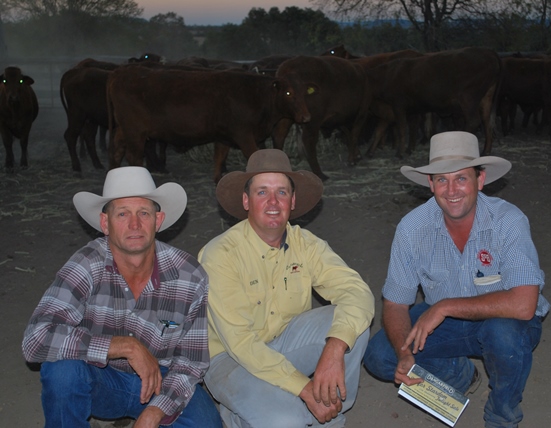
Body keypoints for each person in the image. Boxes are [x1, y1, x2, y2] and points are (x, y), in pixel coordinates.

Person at [363, 131, 550, 428]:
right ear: (430, 184)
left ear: (480, 180)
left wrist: (443, 307)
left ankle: (502, 416)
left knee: (504, 336)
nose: (451, 190)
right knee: (380, 355)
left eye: (461, 178)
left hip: (505, 321)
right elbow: (395, 303)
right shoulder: (412, 228)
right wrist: (403, 352)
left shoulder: (508, 221)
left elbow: (525, 304)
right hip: (447, 324)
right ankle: (459, 375)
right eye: (442, 180)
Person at [22, 166, 222, 428]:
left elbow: (191, 362)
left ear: (158, 220)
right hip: (101, 377)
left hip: (161, 379)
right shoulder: (86, 264)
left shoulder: (189, 276)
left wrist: (155, 412)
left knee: (208, 425)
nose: (135, 224)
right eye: (123, 214)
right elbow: (35, 340)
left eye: (144, 213)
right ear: (105, 223)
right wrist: (125, 346)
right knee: (61, 372)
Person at [198, 149, 375, 427]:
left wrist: (335, 346)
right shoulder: (220, 254)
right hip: (230, 360)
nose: (273, 202)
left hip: (283, 343)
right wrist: (304, 388)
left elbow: (356, 290)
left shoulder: (305, 243)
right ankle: (240, 415)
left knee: (353, 324)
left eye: (281, 192)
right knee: (287, 420)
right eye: (261, 192)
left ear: (292, 201)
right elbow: (242, 344)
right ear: (246, 200)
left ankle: (329, 413)